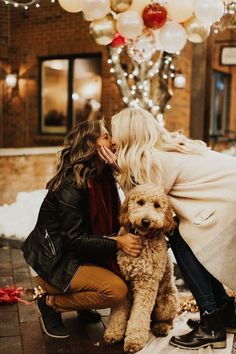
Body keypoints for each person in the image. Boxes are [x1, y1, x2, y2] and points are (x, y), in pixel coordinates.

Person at [101, 107, 236, 350]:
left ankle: (212, 324)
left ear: (129, 134)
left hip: (227, 204)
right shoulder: (167, 148)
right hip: (228, 198)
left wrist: (117, 170)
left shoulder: (155, 160)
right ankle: (224, 313)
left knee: (181, 241)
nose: (113, 140)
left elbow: (142, 209)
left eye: (115, 133)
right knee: (185, 240)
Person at [22, 119, 142, 339]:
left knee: (125, 276)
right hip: (54, 261)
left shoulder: (102, 175)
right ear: (91, 145)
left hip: (77, 256)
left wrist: (119, 169)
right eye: (106, 136)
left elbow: (139, 198)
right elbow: (74, 240)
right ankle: (51, 302)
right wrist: (118, 242)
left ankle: (81, 304)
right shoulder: (73, 185)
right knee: (117, 291)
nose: (113, 141)